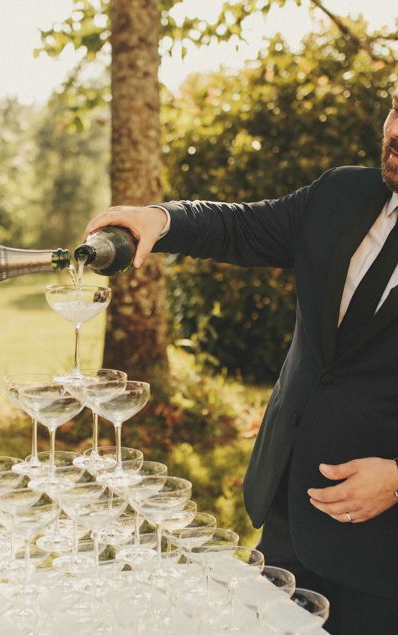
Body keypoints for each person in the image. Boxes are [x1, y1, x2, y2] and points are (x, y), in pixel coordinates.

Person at [84, 85, 398, 634]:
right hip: (289, 508)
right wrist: (163, 219)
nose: (395, 132)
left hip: (385, 547)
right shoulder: (344, 194)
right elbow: (244, 226)